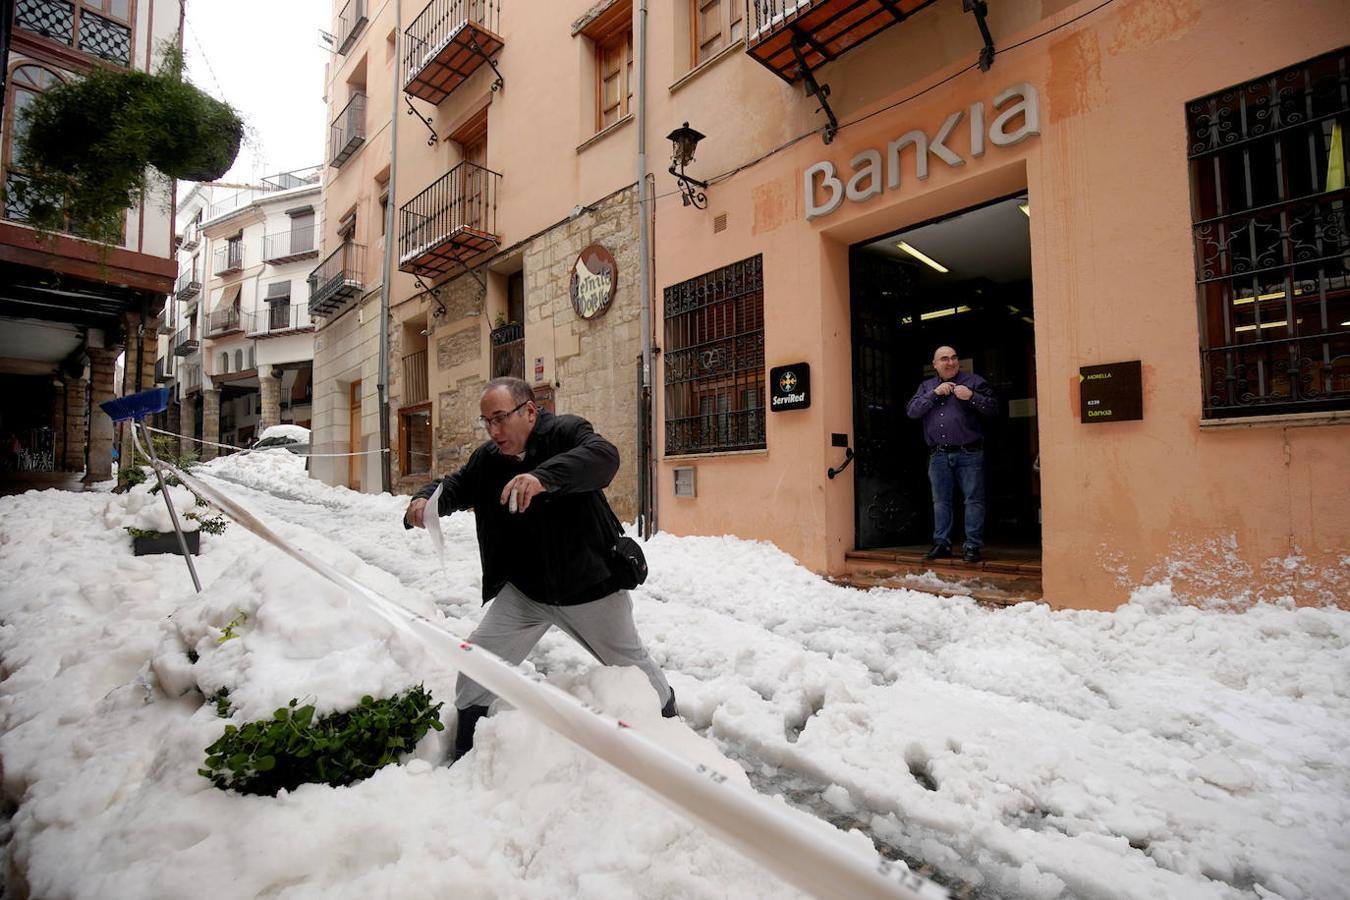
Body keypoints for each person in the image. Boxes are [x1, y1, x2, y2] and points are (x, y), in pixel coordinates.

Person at [404, 377, 676, 764]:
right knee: (478, 664)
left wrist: (542, 478)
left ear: (529, 411)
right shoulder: (489, 459)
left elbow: (604, 457)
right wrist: (424, 499)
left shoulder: (566, 433)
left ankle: (672, 723)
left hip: (589, 589)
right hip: (526, 594)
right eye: (486, 422)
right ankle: (464, 754)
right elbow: (457, 486)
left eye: (500, 418)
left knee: (635, 670)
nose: (494, 431)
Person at [905, 346, 997, 563]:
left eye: (954, 358)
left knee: (974, 500)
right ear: (935, 364)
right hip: (938, 456)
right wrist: (934, 394)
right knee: (941, 502)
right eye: (944, 359)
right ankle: (942, 544)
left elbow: (993, 408)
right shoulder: (926, 386)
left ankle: (972, 546)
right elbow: (912, 411)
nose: (951, 362)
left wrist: (972, 396)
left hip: (970, 453)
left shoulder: (974, 381)